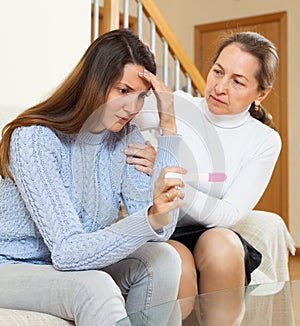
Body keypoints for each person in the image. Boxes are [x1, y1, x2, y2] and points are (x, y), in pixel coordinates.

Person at [0, 28, 186, 326]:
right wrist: (150, 219)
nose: (132, 107)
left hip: (70, 263)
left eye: (141, 97)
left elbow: (160, 232)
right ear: (94, 81)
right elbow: (66, 252)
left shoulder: (126, 139)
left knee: (163, 259)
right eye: (123, 91)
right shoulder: (34, 139)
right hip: (11, 267)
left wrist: (169, 126)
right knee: (95, 288)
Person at [127, 31, 281, 322]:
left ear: (261, 94)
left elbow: (228, 214)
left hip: (212, 232)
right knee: (176, 264)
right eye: (218, 72)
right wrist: (135, 63)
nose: (220, 87)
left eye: (237, 81)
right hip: (163, 229)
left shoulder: (264, 140)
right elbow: (123, 108)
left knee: (222, 244)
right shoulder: (180, 105)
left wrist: (167, 172)